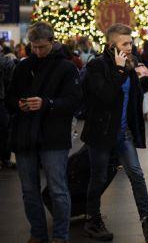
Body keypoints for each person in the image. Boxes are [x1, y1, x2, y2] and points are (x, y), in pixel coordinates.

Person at [81, 24, 148, 241]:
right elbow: (106, 95)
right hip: (100, 133)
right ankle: (92, 220)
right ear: (111, 45)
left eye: (131, 42)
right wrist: (121, 70)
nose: (130, 46)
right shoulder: (97, 65)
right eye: (125, 43)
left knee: (137, 175)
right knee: (99, 177)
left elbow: (134, 95)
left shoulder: (131, 63)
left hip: (123, 134)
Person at [6, 22, 82, 243]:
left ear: (52, 41)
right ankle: (37, 234)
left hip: (54, 138)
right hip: (25, 136)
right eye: (33, 47)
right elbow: (9, 98)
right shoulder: (22, 67)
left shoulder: (67, 68)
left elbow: (74, 101)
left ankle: (60, 235)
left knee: (58, 189)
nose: (37, 51)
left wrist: (46, 103)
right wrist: (18, 104)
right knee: (29, 191)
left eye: (41, 47)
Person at [0, 47, 15, 169]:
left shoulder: (5, 62)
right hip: (2, 99)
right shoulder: (6, 61)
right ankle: (4, 158)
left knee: (4, 130)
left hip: (2, 99)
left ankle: (4, 158)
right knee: (4, 130)